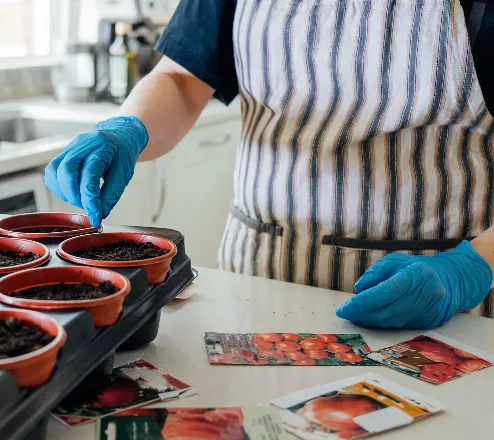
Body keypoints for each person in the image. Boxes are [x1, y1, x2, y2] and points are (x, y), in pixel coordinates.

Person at [45, 0, 494, 330]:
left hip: (435, 305)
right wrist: (129, 127)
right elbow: (182, 78)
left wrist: (467, 270)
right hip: (256, 287)